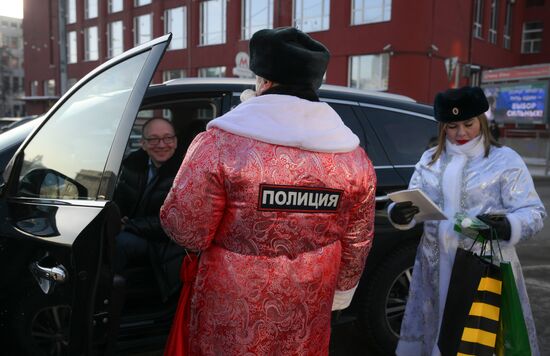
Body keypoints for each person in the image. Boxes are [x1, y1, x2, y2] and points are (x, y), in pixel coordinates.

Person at [160, 27, 376, 355]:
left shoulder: (220, 144)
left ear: (263, 81)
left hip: (234, 301)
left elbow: (187, 229)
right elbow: (358, 241)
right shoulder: (353, 159)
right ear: (314, 83)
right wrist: (343, 290)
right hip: (311, 297)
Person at [389, 86, 546, 355]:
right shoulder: (429, 160)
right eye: (452, 126)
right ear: (442, 127)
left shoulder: (504, 160)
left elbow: (534, 212)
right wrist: (399, 213)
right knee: (433, 336)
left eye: (468, 124)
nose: (461, 133)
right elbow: (412, 200)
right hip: (433, 268)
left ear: (481, 121)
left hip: (483, 269)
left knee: (475, 339)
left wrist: (508, 225)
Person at [113, 117, 185, 301]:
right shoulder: (132, 165)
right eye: (153, 139)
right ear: (143, 144)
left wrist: (130, 226)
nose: (161, 144)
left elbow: (174, 222)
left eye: (168, 138)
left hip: (166, 244)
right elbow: (120, 198)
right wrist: (116, 218)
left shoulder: (185, 171)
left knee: (119, 242)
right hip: (137, 230)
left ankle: (108, 300)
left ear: (175, 142)